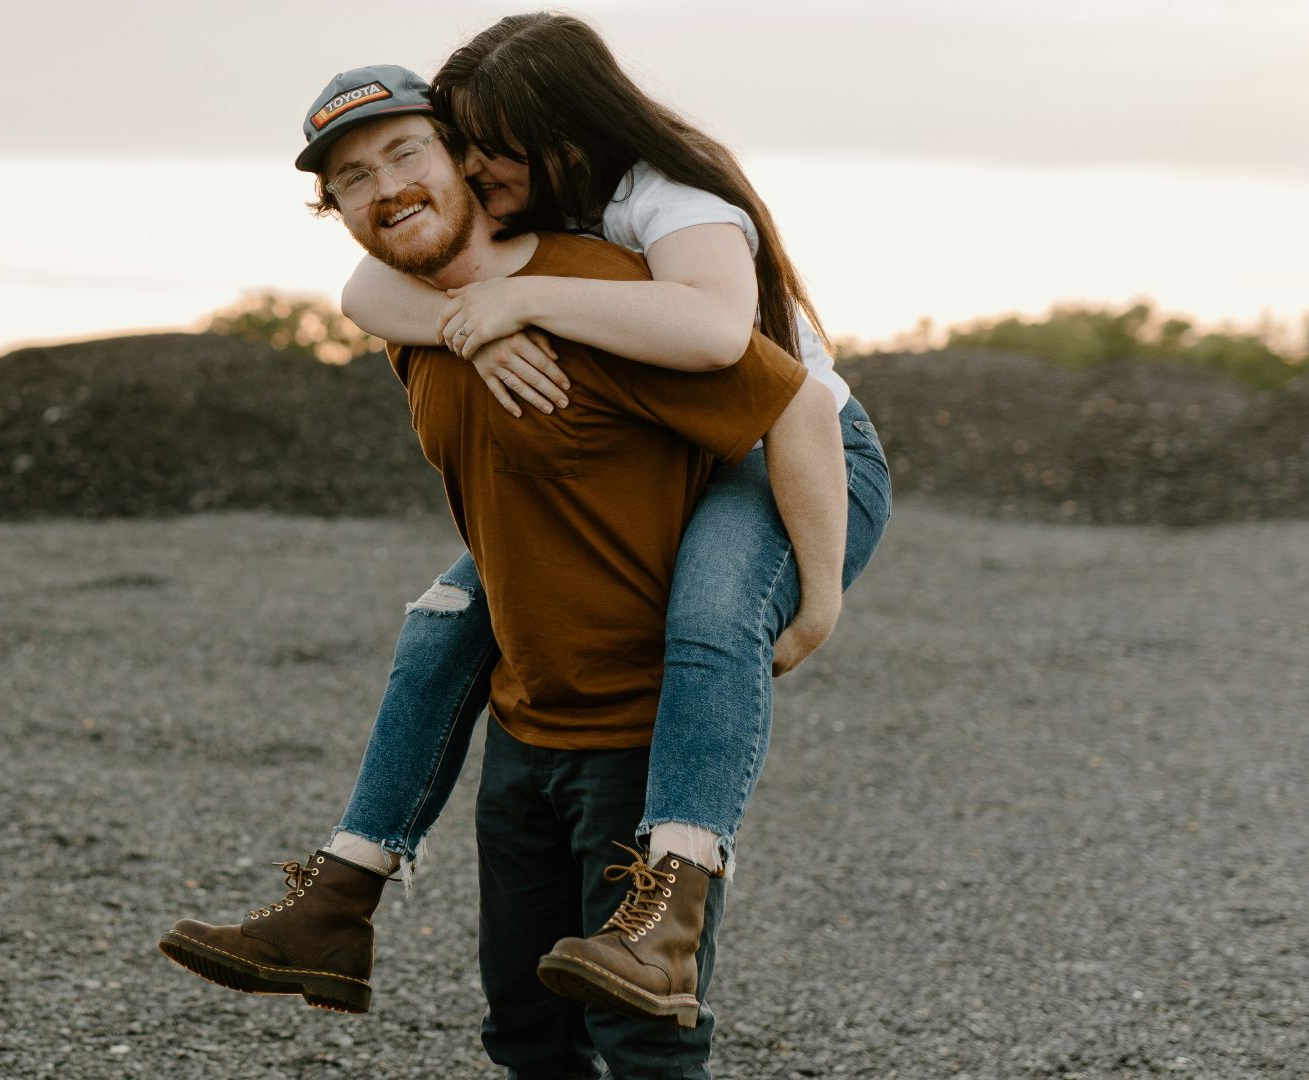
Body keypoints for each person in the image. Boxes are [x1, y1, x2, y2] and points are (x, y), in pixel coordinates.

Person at [162, 57, 861, 1076]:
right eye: (351, 178)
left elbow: (794, 404)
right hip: (524, 731)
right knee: (526, 1034)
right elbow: (382, 293)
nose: (386, 186)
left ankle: (669, 875)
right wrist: (472, 321)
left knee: (640, 1038)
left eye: (406, 152)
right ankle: (340, 901)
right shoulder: (412, 311)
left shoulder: (613, 291)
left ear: (469, 163)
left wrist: (816, 592)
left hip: (638, 734)